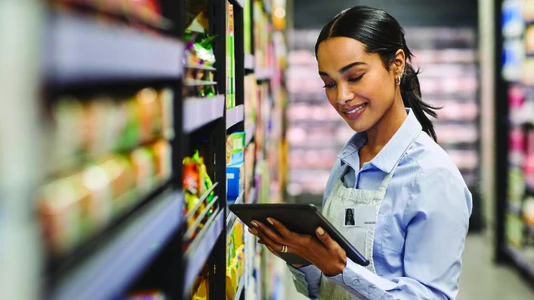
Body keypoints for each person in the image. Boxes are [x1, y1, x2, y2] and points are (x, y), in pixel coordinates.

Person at [247, 5, 472, 300]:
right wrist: (301, 255)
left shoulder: (433, 177)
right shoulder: (346, 164)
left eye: (354, 77)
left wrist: (339, 269)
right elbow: (325, 290)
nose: (341, 97)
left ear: (397, 65)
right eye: (329, 83)